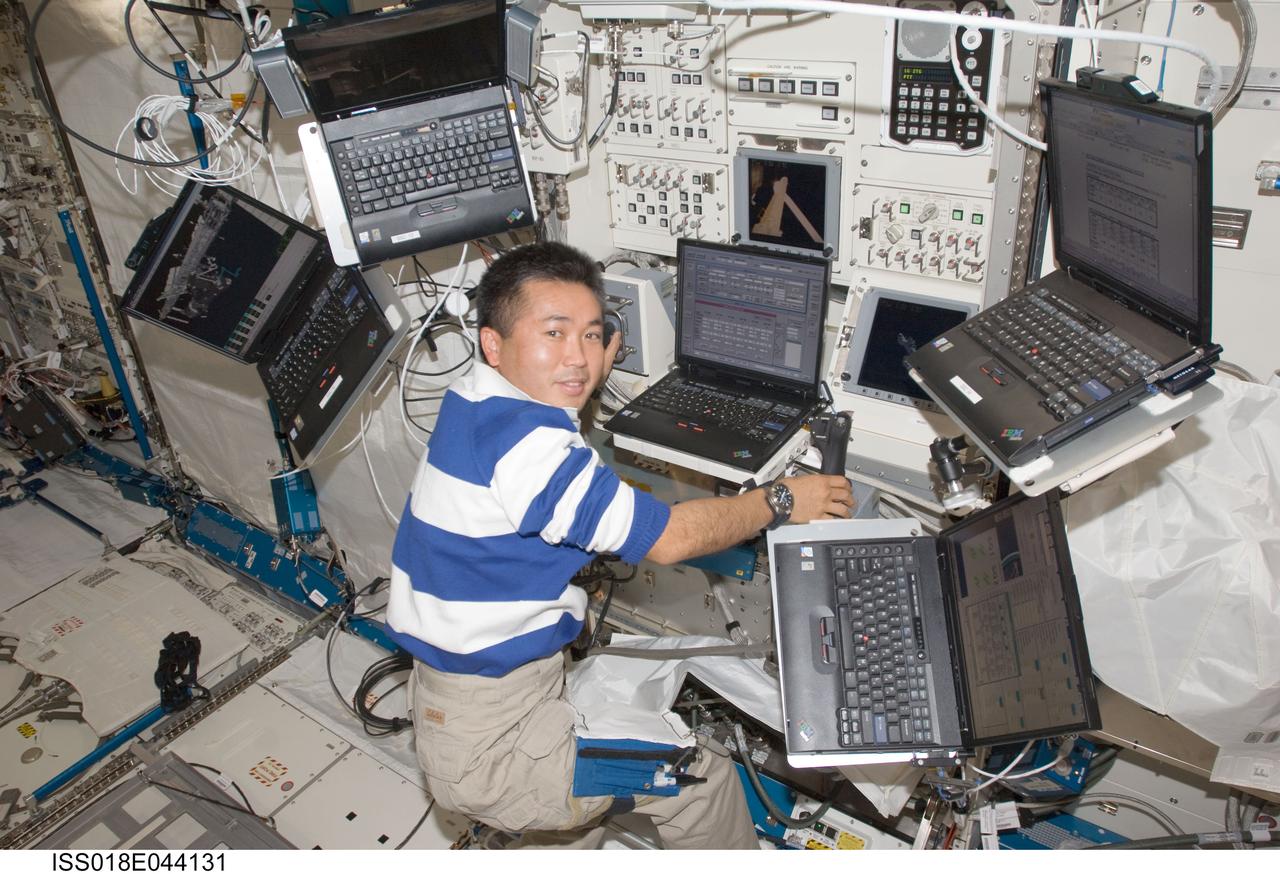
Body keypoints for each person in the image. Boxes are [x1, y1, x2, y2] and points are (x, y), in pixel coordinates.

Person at [387, 242, 853, 849]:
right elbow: (671, 539)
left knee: (581, 819)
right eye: (553, 333)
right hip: (499, 745)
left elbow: (544, 443)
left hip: (457, 703)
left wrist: (578, 383)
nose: (578, 358)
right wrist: (784, 498)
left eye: (590, 335)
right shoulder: (530, 452)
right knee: (699, 781)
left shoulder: (476, 399)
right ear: (492, 343)